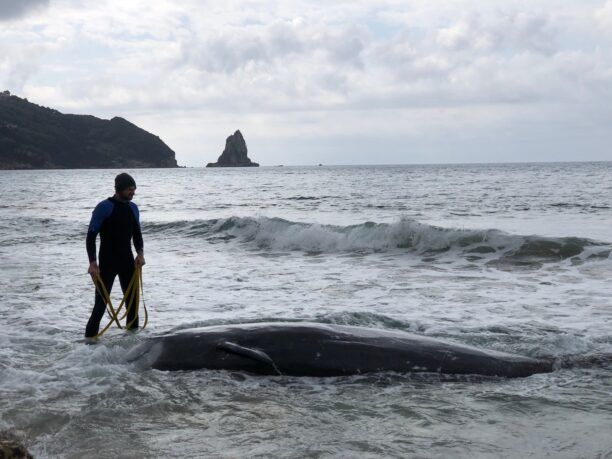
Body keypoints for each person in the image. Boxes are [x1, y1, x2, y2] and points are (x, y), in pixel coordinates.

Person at [85, 173, 145, 337]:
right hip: (107, 263)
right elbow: (91, 236)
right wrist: (92, 263)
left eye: (134, 189)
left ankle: (131, 344)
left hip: (127, 262)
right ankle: (88, 346)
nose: (132, 193)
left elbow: (137, 234)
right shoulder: (104, 207)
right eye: (129, 190)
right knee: (100, 306)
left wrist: (140, 254)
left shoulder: (133, 208)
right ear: (120, 189)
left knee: (132, 306)